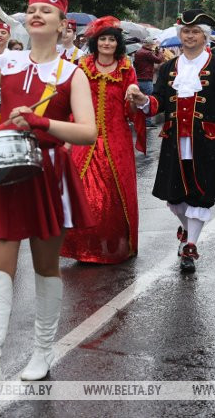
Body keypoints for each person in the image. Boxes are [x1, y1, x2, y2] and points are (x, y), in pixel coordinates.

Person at [0, 0, 96, 406]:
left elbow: (88, 131)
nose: (36, 15)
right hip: (4, 171)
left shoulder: (72, 74)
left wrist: (42, 121)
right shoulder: (6, 61)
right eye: (31, 10)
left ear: (62, 24)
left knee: (47, 268)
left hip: (47, 173)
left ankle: (43, 352)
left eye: (45, 11)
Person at [141, 8, 215, 272]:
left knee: (199, 193)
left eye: (195, 31)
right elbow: (160, 100)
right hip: (174, 139)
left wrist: (213, 126)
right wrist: (144, 101)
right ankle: (186, 230)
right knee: (175, 198)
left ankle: (191, 245)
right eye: (186, 31)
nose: (190, 36)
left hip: (205, 142)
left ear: (205, 36)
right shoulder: (169, 67)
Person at [61, 16, 148, 264]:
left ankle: (113, 248)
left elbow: (130, 111)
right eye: (103, 39)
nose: (107, 43)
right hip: (85, 136)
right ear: (95, 42)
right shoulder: (83, 66)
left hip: (116, 139)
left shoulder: (125, 68)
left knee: (112, 194)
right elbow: (72, 101)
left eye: (111, 39)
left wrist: (133, 98)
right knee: (83, 190)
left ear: (117, 43)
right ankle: (82, 248)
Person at [133, 37, 164, 128]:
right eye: (152, 44)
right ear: (149, 44)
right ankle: (147, 122)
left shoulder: (138, 52)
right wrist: (160, 52)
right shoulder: (147, 53)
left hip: (139, 79)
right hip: (146, 79)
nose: (152, 46)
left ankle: (139, 121)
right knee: (148, 101)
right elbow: (158, 60)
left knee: (139, 101)